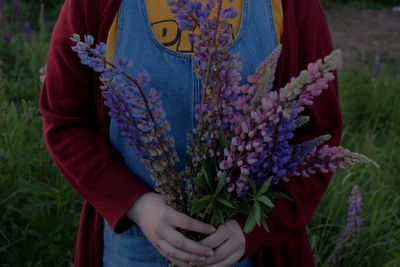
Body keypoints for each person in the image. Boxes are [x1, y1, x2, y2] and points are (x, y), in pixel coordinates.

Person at [39, 0, 342, 266]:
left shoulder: (293, 5)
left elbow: (315, 136)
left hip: (248, 251)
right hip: (133, 247)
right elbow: (66, 120)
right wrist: (136, 204)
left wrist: (251, 229)